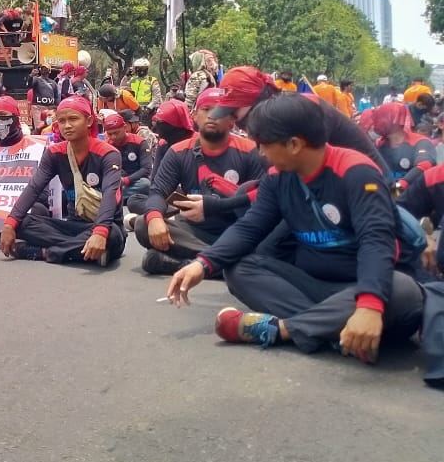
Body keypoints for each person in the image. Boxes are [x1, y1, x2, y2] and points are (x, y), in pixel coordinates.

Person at [165, 94, 424, 362]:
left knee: (404, 291)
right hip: (314, 286)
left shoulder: (356, 172)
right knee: (240, 269)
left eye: (265, 145)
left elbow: (376, 241)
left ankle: (284, 330)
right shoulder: (277, 179)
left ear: (294, 144)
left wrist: (370, 305)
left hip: (363, 283)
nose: (261, 153)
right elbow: (250, 227)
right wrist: (203, 264)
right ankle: (333, 329)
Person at [135, 88, 268, 275]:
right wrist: (155, 217)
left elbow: (264, 202)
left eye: (220, 111)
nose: (212, 116)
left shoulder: (251, 151)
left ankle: (190, 265)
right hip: (195, 232)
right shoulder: (178, 152)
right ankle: (229, 264)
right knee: (143, 224)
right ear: (194, 116)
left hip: (239, 230)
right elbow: (157, 192)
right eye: (206, 109)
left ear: (232, 120)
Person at [0, 96, 125, 266]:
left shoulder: (109, 154)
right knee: (23, 224)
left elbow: (111, 194)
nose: (67, 125)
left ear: (88, 121)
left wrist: (100, 232)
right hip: (72, 226)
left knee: (114, 236)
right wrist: (9, 223)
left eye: (73, 119)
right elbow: (34, 188)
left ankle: (45, 252)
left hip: (106, 226)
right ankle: (83, 251)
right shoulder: (54, 153)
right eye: (62, 120)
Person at [211, 65, 390, 176]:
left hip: (369, 186)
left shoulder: (302, 111)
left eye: (234, 111)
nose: (233, 119)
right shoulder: (277, 117)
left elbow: (293, 187)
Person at [364, 102, 436, 185]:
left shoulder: (420, 142)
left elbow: (424, 165)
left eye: (379, 118)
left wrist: (401, 185)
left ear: (393, 120)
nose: (375, 123)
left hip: (413, 194)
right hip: (388, 193)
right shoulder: (379, 144)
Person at [102, 110, 153, 200]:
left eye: (116, 133)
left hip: (135, 180)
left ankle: (111, 198)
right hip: (116, 180)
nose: (113, 137)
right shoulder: (107, 145)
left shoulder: (140, 142)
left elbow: (146, 169)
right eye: (110, 134)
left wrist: (126, 180)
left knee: (145, 184)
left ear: (124, 127)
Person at [122, 58, 162, 122]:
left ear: (146, 69)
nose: (140, 70)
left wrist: (149, 108)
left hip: (147, 111)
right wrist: (126, 76)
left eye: (142, 68)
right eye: (138, 68)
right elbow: (122, 88)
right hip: (133, 109)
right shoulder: (132, 80)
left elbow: (156, 97)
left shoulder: (152, 80)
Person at [28, 66, 58, 133]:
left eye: (46, 68)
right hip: (38, 107)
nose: (44, 70)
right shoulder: (36, 80)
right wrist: (31, 76)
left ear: (49, 70)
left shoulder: (53, 83)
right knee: (39, 127)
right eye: (42, 68)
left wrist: (56, 107)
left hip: (50, 108)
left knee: (50, 127)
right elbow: (29, 85)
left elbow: (56, 96)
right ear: (40, 70)